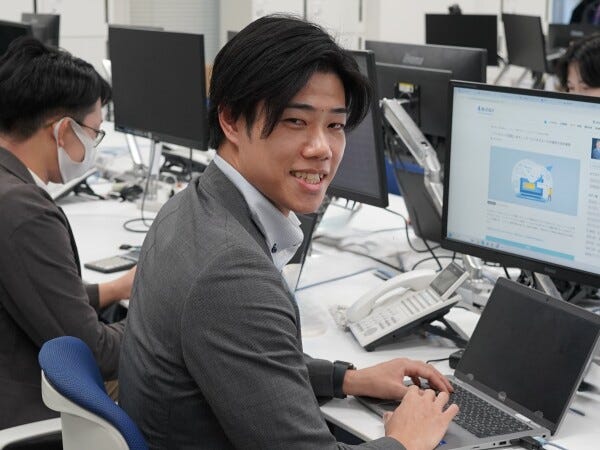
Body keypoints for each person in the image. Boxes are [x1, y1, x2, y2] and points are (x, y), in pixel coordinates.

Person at [119, 15, 458, 449]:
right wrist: (405, 441)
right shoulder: (232, 272)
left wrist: (347, 378)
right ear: (231, 120)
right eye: (296, 121)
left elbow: (245, 359)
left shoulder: (190, 206)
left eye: (335, 125)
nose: (322, 149)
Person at [0, 37, 134, 429]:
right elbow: (95, 353)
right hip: (30, 412)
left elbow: (31, 292)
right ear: (62, 131)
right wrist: (164, 319)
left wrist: (114, 289)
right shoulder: (23, 212)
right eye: (94, 133)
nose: (94, 145)